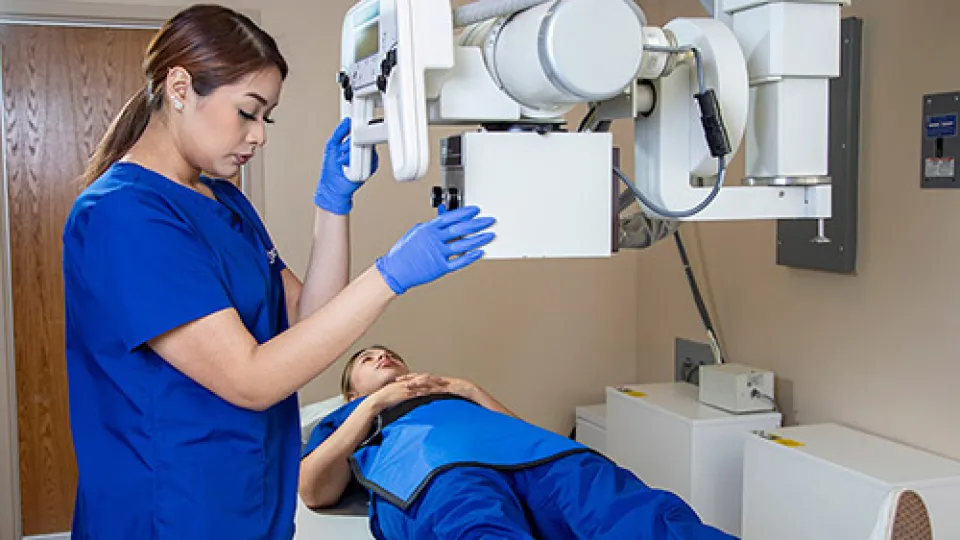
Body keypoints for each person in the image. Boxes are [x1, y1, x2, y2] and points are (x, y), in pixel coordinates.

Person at [61, 5, 495, 539]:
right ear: (179, 87)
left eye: (267, 117)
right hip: (171, 512)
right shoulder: (123, 215)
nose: (259, 135)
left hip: (249, 502)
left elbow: (308, 319)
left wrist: (332, 207)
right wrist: (391, 275)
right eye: (248, 112)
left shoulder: (222, 199)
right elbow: (250, 380)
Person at [299, 345, 737, 540]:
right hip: (438, 475)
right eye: (367, 359)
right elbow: (314, 491)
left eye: (388, 353)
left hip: (541, 460)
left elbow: (523, 433)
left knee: (639, 517)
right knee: (478, 530)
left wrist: (469, 390)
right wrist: (373, 405)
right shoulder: (347, 418)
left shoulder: (451, 393)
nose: (382, 357)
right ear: (351, 392)